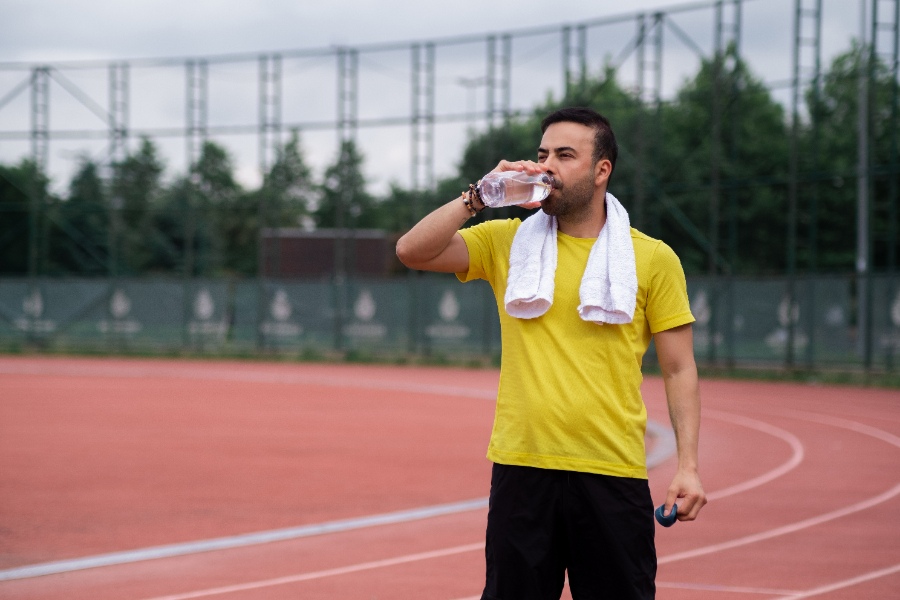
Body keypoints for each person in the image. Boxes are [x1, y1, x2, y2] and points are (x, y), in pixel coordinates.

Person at [396, 106, 706, 600]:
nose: (547, 167)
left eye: (565, 155)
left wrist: (687, 465)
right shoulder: (507, 241)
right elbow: (412, 250)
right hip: (522, 469)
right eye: (542, 154)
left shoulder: (651, 258)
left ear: (602, 169)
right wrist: (479, 196)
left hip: (611, 471)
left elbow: (679, 367)